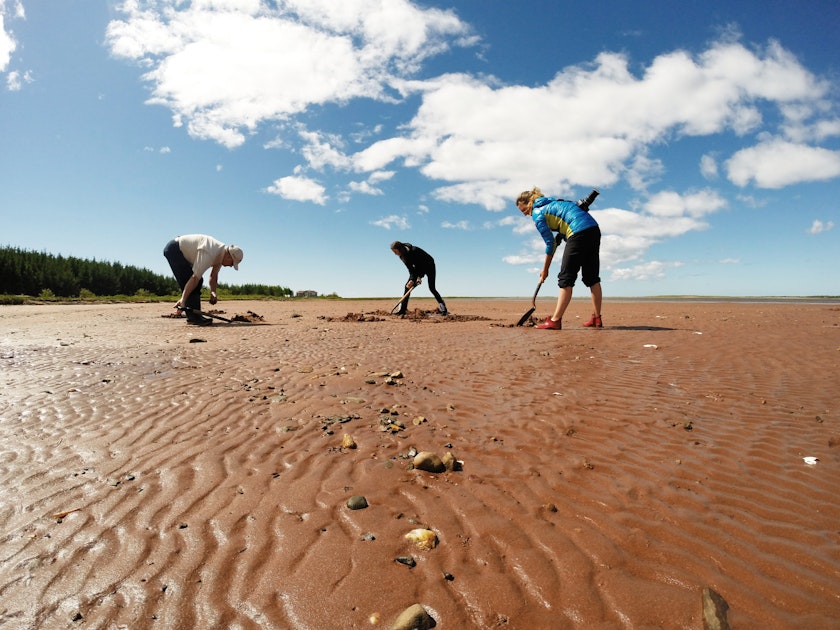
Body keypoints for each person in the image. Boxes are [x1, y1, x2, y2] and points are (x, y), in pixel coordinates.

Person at [515, 187, 602, 330]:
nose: (525, 214)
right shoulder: (554, 202)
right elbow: (564, 220)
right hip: (593, 230)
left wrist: (545, 270)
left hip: (577, 232)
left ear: (529, 203)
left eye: (523, 210)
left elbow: (550, 244)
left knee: (566, 278)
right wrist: (561, 235)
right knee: (592, 278)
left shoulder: (537, 213)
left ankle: (555, 320)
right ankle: (597, 319)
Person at [163, 234, 243, 325]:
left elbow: (213, 275)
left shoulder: (221, 255)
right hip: (175, 250)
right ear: (229, 256)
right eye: (232, 263)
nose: (230, 266)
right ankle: (193, 317)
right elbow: (194, 278)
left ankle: (193, 316)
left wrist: (213, 292)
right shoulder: (210, 252)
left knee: (196, 281)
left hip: (181, 250)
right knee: (195, 281)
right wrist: (183, 300)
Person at [390, 241, 448, 316]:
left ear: (400, 249)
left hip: (429, 265)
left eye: (395, 251)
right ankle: (403, 310)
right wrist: (411, 279)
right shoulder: (402, 256)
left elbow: (423, 264)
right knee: (407, 286)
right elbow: (411, 269)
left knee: (432, 288)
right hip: (418, 269)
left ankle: (443, 307)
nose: (395, 254)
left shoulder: (414, 250)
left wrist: (420, 276)